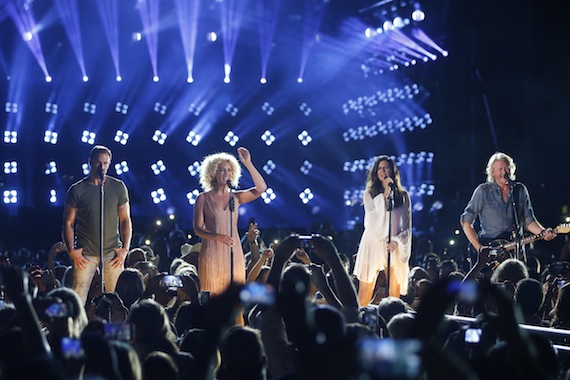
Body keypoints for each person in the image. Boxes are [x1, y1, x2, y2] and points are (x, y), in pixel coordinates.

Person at [62, 145, 132, 306]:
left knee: (117, 300)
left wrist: (125, 250)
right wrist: (71, 250)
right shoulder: (77, 190)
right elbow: (68, 222)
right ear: (90, 162)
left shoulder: (118, 187)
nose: (102, 167)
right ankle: (77, 329)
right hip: (85, 254)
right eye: (98, 163)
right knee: (77, 298)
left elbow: (125, 220)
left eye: (106, 163)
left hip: (112, 253)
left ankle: (115, 330)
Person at [193, 147, 267, 296]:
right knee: (211, 296)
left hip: (234, 251)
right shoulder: (203, 198)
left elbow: (261, 188)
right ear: (213, 172)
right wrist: (216, 236)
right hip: (211, 252)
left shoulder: (236, 197)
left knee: (234, 297)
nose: (226, 173)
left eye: (229, 170)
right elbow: (197, 228)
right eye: (221, 170)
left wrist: (248, 163)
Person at [460, 152, 556, 267]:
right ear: (493, 172)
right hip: (491, 252)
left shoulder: (519, 190)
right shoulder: (483, 191)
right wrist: (479, 248)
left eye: (507, 168)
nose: (504, 172)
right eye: (500, 169)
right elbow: (466, 222)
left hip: (515, 252)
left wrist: (543, 232)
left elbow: (528, 220)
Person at [353, 155, 412, 306]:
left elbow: (406, 226)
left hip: (392, 244)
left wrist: (397, 241)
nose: (383, 171)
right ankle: (359, 323)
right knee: (365, 292)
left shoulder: (403, 196)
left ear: (392, 171)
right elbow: (374, 225)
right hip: (372, 242)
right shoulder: (369, 194)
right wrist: (385, 193)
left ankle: (393, 326)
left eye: (386, 167)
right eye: (379, 168)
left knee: (394, 293)